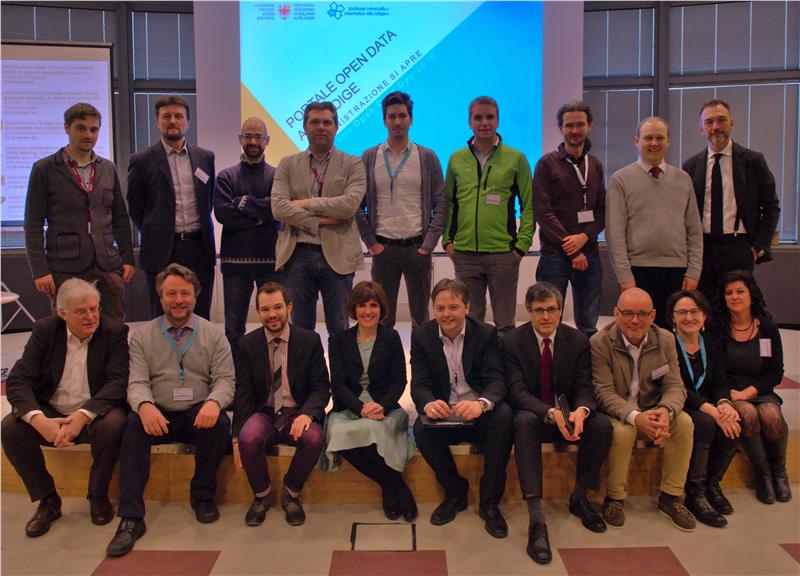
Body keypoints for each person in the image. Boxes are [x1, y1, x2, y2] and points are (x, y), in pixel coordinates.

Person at [106, 263, 235, 557]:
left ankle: (202, 496)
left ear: (196, 295)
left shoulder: (214, 334)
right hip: (157, 413)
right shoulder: (142, 336)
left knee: (219, 426)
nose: (179, 300)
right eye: (171, 294)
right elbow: (136, 381)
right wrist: (144, 406)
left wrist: (214, 402)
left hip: (196, 412)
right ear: (161, 297)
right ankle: (131, 517)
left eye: (185, 294)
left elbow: (226, 379)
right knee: (131, 426)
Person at [2, 279, 128, 537]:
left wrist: (82, 416)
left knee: (114, 424)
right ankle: (48, 500)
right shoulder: (45, 331)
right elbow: (18, 381)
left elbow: (117, 382)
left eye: (94, 308)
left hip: (93, 413)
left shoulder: (114, 331)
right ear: (63, 313)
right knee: (10, 428)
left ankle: (97, 495)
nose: (90, 316)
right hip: (52, 412)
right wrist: (39, 420)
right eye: (81, 311)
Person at [504, 282, 612, 564]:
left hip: (569, 413)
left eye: (552, 309)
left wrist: (581, 411)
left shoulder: (577, 340)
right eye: (539, 310)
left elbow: (585, 386)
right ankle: (536, 518)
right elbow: (516, 392)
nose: (546, 316)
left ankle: (580, 497)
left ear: (561, 310)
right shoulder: (512, 342)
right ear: (528, 311)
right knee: (523, 422)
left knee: (601, 425)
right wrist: (550, 413)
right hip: (536, 413)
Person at [411, 278, 513, 538]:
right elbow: (419, 384)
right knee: (420, 429)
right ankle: (455, 492)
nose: (446, 314)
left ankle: (489, 503)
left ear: (467, 307)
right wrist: (429, 403)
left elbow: (496, 379)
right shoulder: (422, 335)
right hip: (446, 412)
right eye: (440, 308)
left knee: (504, 417)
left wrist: (481, 404)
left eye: (453, 307)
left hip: (477, 413)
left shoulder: (486, 333)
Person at [591, 288, 696, 532]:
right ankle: (615, 498)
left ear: (653, 315)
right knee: (623, 432)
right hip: (617, 412)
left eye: (642, 314)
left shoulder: (665, 340)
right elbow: (604, 393)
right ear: (616, 313)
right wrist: (636, 417)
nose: (635, 320)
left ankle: (671, 497)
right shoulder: (600, 342)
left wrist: (666, 411)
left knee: (684, 423)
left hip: (653, 408)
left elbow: (675, 385)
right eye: (628, 313)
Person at [24, 103, 135, 321]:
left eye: (94, 129)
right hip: (65, 265)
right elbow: (32, 224)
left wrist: (128, 257)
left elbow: (120, 218)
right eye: (81, 128)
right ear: (67, 128)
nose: (88, 135)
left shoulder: (108, 168)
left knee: (114, 326)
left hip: (107, 264)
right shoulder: (44, 169)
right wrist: (40, 270)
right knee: (68, 327)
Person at [232, 282, 330, 527]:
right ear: (258, 312)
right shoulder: (246, 344)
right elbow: (243, 392)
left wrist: (307, 414)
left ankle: (291, 493)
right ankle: (262, 495)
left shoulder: (309, 340)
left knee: (313, 438)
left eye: (277, 307)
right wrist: (235, 435)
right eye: (265, 309)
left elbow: (321, 387)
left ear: (289, 307)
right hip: (264, 412)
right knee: (248, 438)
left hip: (297, 411)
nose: (272, 314)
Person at [322, 281, 417, 521]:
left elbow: (399, 381)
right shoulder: (338, 340)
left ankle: (390, 488)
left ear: (381, 308)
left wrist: (382, 405)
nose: (367, 311)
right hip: (350, 407)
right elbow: (338, 384)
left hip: (384, 406)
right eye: (361, 305)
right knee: (339, 434)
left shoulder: (391, 337)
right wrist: (360, 408)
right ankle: (394, 485)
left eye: (373, 305)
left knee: (376, 430)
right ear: (353, 309)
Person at [271, 101, 366, 335]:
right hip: (297, 254)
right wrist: (319, 221)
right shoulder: (287, 164)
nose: (321, 127)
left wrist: (306, 203)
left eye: (327, 122)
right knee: (300, 330)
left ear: (336, 127)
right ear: (304, 127)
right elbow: (279, 208)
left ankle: (340, 363)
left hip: (338, 255)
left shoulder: (353, 164)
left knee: (340, 328)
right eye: (315, 122)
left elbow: (348, 206)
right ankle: (307, 363)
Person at [442, 96, 534, 336]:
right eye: (478, 117)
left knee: (505, 324)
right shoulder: (456, 159)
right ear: (469, 122)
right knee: (470, 324)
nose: (484, 122)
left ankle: (505, 362)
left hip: (503, 255)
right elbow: (448, 203)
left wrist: (521, 247)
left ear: (498, 120)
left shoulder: (516, 158)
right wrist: (448, 242)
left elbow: (529, 205)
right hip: (465, 255)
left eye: (490, 117)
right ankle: (476, 363)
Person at [357, 92, 446, 329]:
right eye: (392, 116)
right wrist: (371, 243)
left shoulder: (427, 157)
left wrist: (428, 244)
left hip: (417, 248)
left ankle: (420, 355)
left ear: (411, 119)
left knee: (421, 317)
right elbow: (357, 206)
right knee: (383, 318)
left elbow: (441, 203)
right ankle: (386, 356)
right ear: (384, 121)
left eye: (402, 116)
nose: (397, 121)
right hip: (383, 249)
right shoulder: (369, 157)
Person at [605, 116, 703, 328]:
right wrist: (624, 276)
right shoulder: (620, 180)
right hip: (637, 271)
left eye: (660, 138)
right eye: (648, 138)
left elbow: (694, 230)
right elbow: (615, 233)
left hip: (677, 271)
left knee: (672, 334)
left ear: (668, 141)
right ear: (637, 141)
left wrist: (694, 271)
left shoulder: (683, 179)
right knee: (638, 332)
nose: (654, 143)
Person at [127, 95, 217, 319]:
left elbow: (208, 200)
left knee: (200, 312)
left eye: (178, 116)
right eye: (166, 116)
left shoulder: (205, 158)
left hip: (199, 247)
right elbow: (136, 207)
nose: (173, 121)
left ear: (188, 122)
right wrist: (156, 230)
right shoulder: (142, 160)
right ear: (157, 122)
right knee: (162, 314)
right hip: (162, 249)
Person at [682, 100, 780, 302]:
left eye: (721, 120)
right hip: (703, 249)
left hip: (739, 247)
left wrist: (757, 248)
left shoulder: (753, 161)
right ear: (701, 129)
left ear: (732, 123)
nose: (715, 127)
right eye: (709, 122)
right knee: (704, 306)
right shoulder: (691, 166)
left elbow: (771, 207)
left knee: (736, 306)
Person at [666, 290, 740, 527]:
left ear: (704, 315)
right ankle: (695, 492)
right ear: (673, 317)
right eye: (682, 312)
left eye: (694, 311)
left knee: (733, 422)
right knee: (706, 423)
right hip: (679, 402)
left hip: (709, 403)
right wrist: (711, 410)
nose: (689, 317)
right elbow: (676, 387)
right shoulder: (667, 343)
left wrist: (725, 404)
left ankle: (712, 484)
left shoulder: (712, 342)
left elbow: (720, 382)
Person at [716, 270, 790, 504]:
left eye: (740, 291)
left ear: (751, 294)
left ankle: (779, 472)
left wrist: (750, 392)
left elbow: (776, 372)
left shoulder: (767, 327)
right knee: (747, 413)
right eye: (729, 293)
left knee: (770, 414)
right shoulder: (718, 328)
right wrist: (732, 395)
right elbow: (716, 372)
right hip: (730, 392)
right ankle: (763, 473)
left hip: (760, 390)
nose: (734, 297)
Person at [533, 101, 606, 336]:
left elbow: (602, 210)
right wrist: (572, 249)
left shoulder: (596, 164)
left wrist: (584, 237)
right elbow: (544, 212)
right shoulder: (546, 163)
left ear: (589, 125)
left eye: (580, 124)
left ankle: (584, 360)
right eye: (569, 125)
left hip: (589, 253)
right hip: (554, 255)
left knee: (588, 324)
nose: (575, 130)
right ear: (560, 128)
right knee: (548, 321)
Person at [214, 117, 282, 351]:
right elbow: (223, 214)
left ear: (267, 140)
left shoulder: (277, 176)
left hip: (271, 263)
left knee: (276, 325)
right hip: (235, 265)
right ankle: (238, 372)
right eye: (248, 136)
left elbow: (278, 209)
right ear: (240, 139)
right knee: (234, 330)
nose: (253, 141)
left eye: (258, 137)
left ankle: (275, 369)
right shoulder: (225, 177)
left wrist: (243, 204)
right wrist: (261, 215)